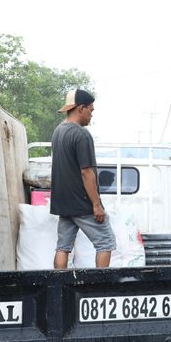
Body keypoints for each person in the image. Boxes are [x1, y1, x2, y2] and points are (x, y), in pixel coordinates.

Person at [50, 89, 116, 270]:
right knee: (105, 242)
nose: (91, 115)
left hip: (63, 203)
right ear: (80, 108)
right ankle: (99, 288)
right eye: (90, 110)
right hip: (82, 202)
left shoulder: (58, 132)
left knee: (63, 247)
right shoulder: (81, 134)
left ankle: (59, 286)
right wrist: (96, 204)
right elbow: (86, 172)